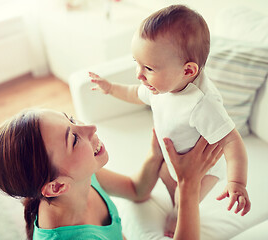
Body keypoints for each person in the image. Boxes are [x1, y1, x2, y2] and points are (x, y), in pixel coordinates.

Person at [90, 4, 251, 237]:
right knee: (166, 177)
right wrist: (111, 88)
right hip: (173, 155)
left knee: (183, 197)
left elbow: (232, 142)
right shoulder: (162, 85)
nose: (139, 74)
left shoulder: (201, 103)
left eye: (148, 67)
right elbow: (135, 93)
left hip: (203, 169)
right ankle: (175, 196)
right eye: (137, 62)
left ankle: (179, 213)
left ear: (187, 71)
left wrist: (237, 183)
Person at [0, 108, 223, 240]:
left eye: (70, 119)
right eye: (74, 138)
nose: (90, 128)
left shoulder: (82, 180)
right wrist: (189, 185)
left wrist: (155, 155)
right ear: (56, 187)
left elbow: (135, 190)